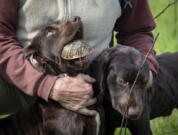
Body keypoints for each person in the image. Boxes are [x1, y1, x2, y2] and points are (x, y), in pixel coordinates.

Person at [0, 0, 158, 116]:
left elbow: (137, 31)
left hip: (95, 86)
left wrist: (146, 67)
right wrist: (46, 84)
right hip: (21, 78)